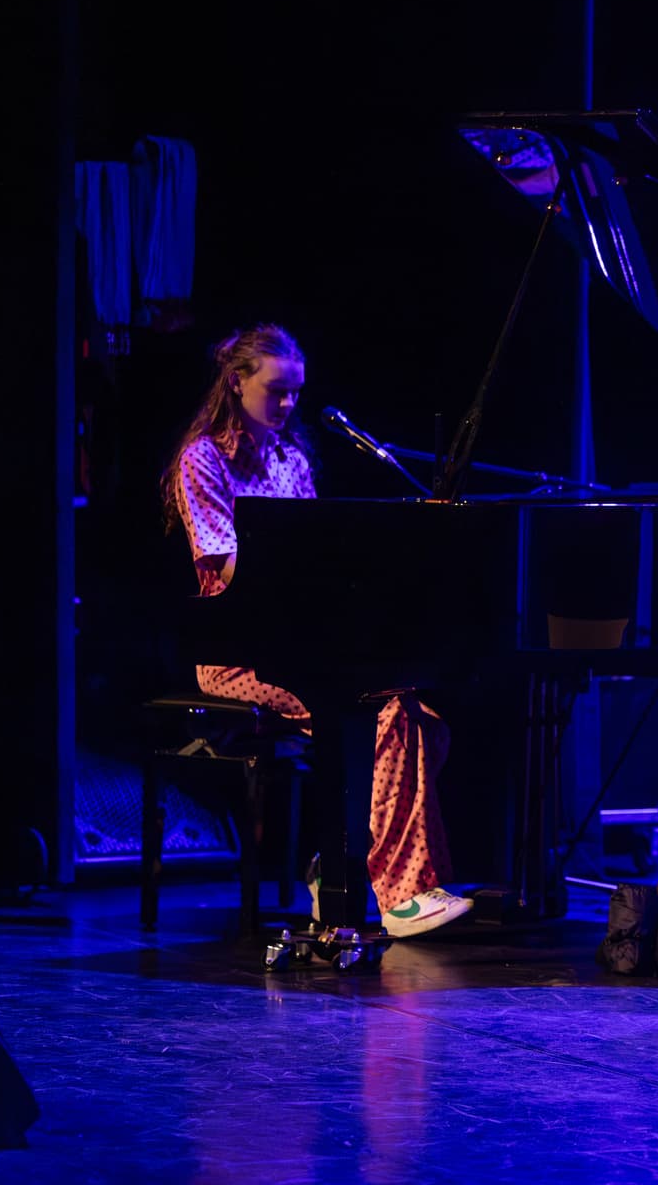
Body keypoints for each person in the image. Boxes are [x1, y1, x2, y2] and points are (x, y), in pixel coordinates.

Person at [161, 323, 471, 937]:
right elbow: (223, 567)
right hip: (237, 655)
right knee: (383, 716)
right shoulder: (203, 460)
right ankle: (401, 893)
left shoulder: (291, 459)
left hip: (305, 644)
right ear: (236, 383)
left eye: (296, 393)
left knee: (422, 716)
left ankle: (341, 859)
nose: (288, 404)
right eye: (276, 390)